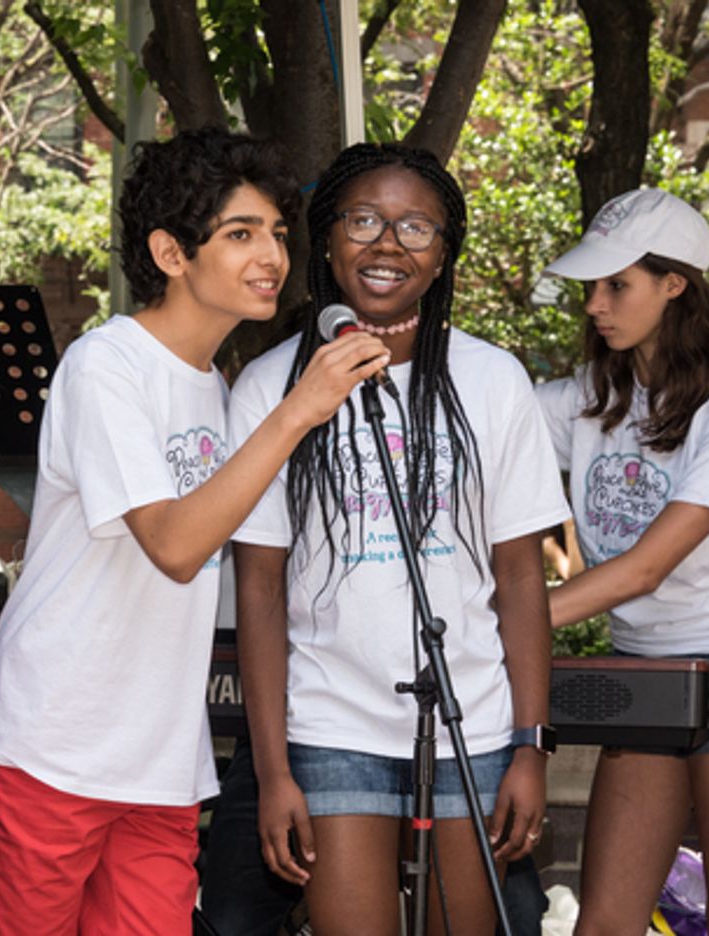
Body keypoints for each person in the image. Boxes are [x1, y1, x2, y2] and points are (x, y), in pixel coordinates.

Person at [0, 127, 393, 935]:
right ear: (169, 252)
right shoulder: (105, 364)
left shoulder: (217, 388)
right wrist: (300, 409)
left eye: (274, 232)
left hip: (158, 764)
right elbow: (175, 545)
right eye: (240, 234)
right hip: (50, 746)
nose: (271, 255)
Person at [230, 142, 570, 936]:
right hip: (331, 725)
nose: (388, 244)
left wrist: (530, 745)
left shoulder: (492, 382)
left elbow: (521, 579)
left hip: (472, 725)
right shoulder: (270, 389)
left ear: (445, 251)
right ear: (326, 238)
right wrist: (274, 771)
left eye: (417, 226)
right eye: (365, 220)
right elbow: (260, 590)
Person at [535, 188, 709, 936]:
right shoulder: (592, 396)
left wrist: (502, 622)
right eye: (592, 286)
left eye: (617, 284)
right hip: (639, 677)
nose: (594, 303)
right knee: (605, 922)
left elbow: (647, 568)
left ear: (674, 284)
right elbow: (479, 423)